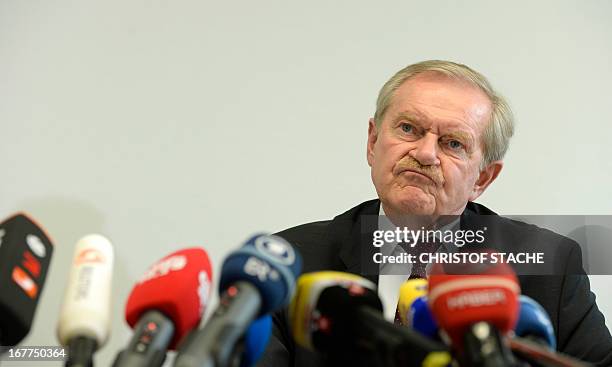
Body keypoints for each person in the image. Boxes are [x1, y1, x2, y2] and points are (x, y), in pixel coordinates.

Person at [257, 60, 612, 366]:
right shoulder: (291, 262)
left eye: (452, 143)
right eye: (409, 128)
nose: (425, 153)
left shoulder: (550, 267)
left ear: (483, 178)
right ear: (372, 142)